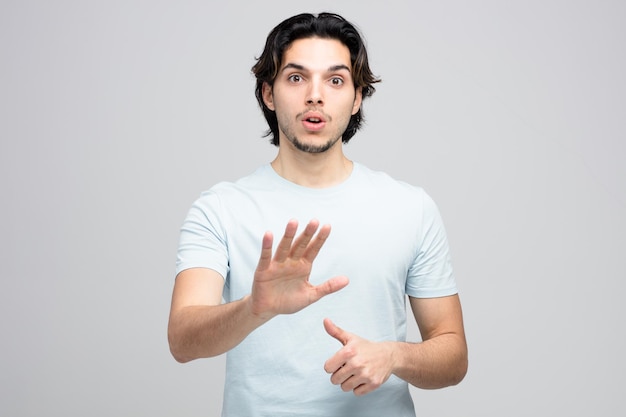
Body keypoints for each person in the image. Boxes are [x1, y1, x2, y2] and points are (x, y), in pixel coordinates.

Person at [168, 12, 467, 417]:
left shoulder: (410, 207)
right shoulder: (221, 208)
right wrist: (254, 308)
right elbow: (182, 340)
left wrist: (395, 356)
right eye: (295, 78)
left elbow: (453, 357)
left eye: (336, 79)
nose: (315, 95)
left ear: (357, 97)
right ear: (268, 94)